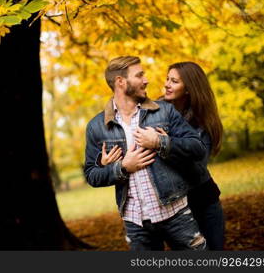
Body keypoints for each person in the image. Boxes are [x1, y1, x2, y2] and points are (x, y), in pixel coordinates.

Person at [84, 56, 207, 251]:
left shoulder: (164, 111)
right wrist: (122, 167)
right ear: (120, 82)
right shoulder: (96, 127)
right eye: (140, 75)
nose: (146, 80)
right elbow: (91, 175)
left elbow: (198, 148)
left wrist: (160, 142)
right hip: (135, 223)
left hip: (175, 213)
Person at [162, 62, 225, 250]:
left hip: (203, 201)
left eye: (174, 81)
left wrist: (166, 145)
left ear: (189, 88)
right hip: (173, 207)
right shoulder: (156, 111)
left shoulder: (203, 121)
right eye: (167, 79)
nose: (166, 84)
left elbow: (197, 168)